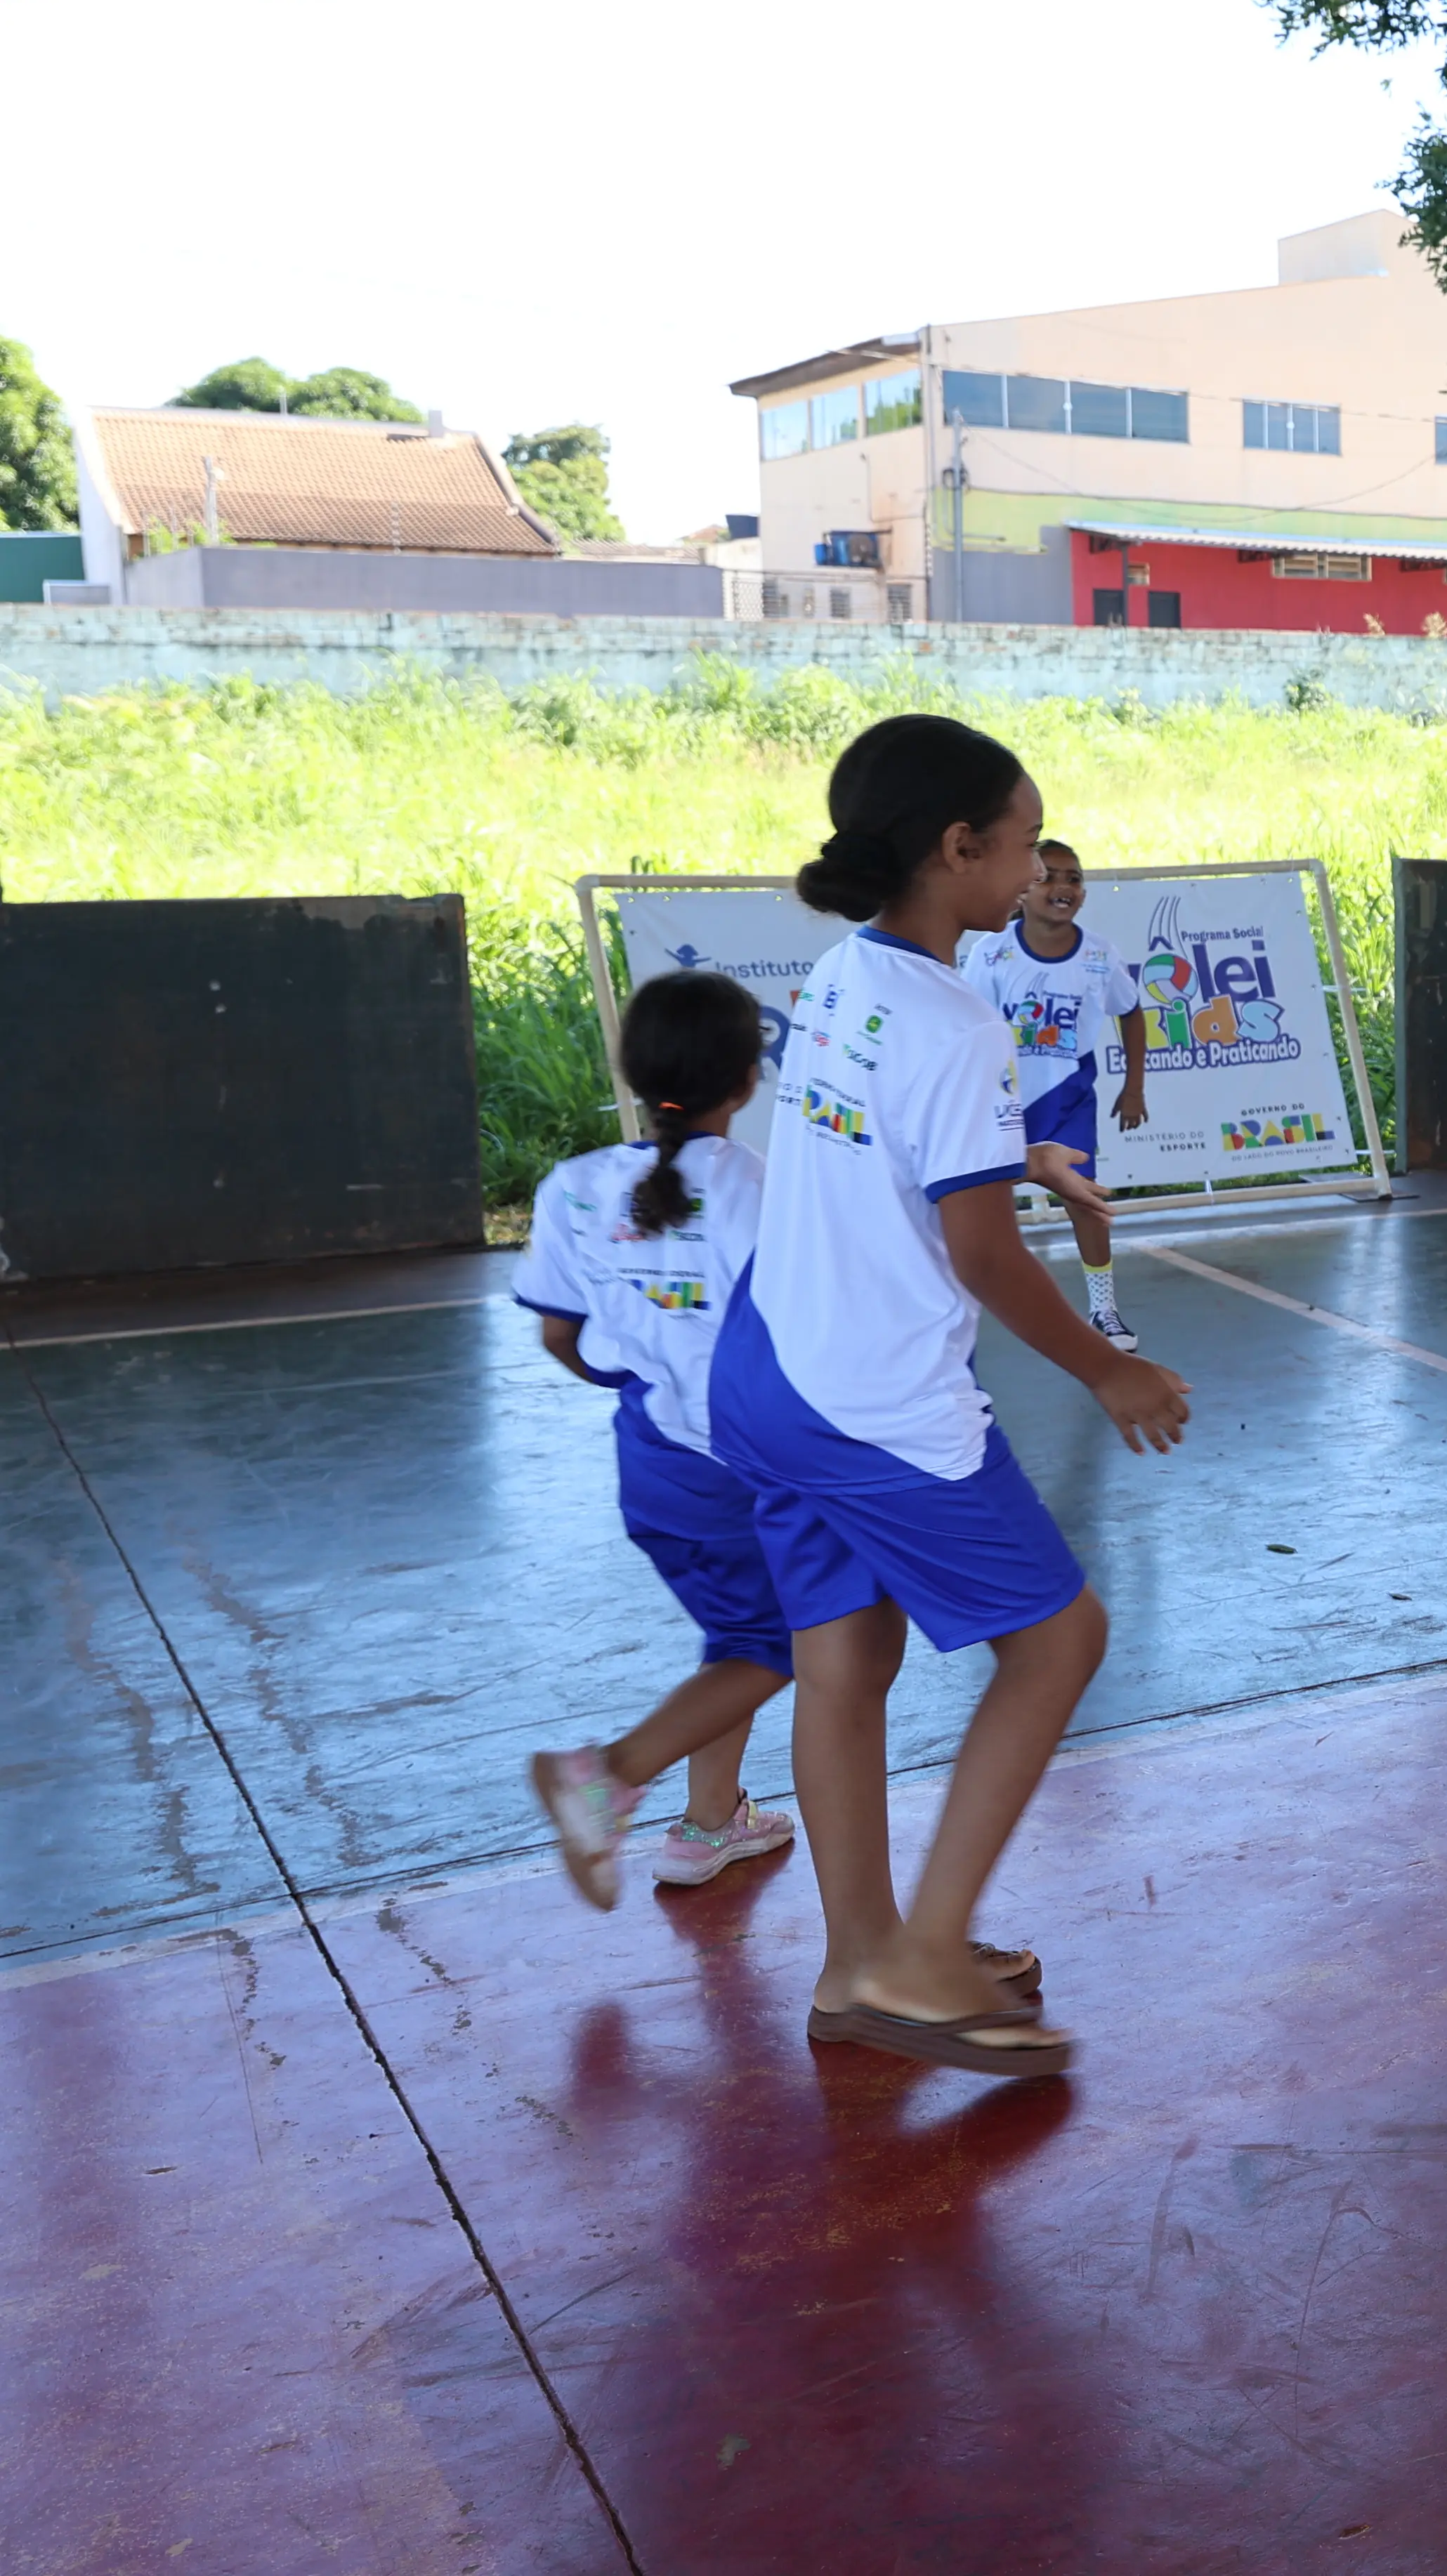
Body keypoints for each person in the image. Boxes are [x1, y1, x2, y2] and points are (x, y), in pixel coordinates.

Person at [712, 714, 1193, 2077]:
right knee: (1060, 1640)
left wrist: (1018, 1154)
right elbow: (982, 1256)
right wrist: (1108, 1366)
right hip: (872, 1399)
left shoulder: (846, 972)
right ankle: (926, 1957)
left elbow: (895, 1147)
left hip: (768, 1366)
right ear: (959, 846)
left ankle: (859, 1961)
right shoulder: (960, 1017)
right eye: (1028, 838)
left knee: (846, 1660)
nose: (1042, 863)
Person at [519, 971, 804, 1908]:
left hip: (649, 1460)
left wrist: (640, 1380)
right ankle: (606, 1775)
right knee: (777, 1645)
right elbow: (801, 1343)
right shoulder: (762, 1191)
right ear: (750, 1080)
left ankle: (711, 1822)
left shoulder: (573, 1186)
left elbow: (560, 1336)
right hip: (742, 1467)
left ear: (632, 1074)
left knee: (737, 1634)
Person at [958, 836, 1153, 1352]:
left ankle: (1104, 1310)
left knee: (1084, 1199)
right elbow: (968, 1025)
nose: (1063, 887)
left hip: (1069, 1098)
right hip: (1002, 1098)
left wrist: (1134, 1087)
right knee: (978, 1204)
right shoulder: (992, 953)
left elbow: (1131, 1011)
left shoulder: (1098, 955)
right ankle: (959, 1306)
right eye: (1048, 877)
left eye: (1074, 878)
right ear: (1023, 888)